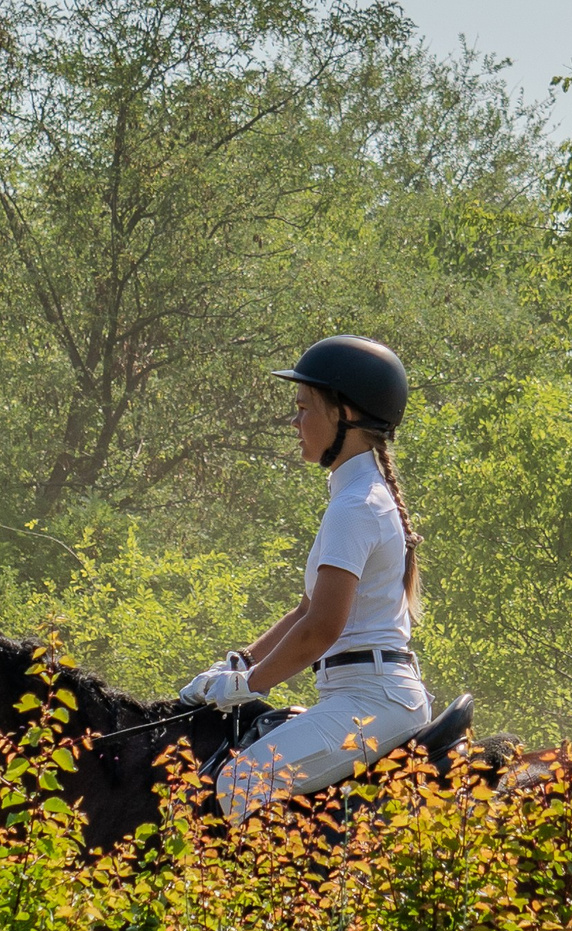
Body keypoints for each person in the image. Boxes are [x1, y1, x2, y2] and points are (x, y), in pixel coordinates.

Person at [179, 336, 433, 821]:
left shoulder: (356, 506)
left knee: (241, 779)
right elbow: (305, 610)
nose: (294, 423)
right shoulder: (355, 496)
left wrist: (248, 684)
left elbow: (321, 630)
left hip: (372, 699)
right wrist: (237, 661)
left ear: (344, 414)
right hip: (357, 693)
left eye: (302, 409)